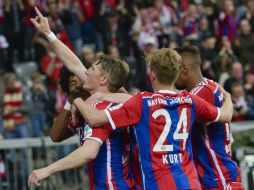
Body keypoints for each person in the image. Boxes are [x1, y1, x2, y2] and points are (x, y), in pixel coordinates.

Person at [71, 48, 233, 189]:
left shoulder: (143, 102)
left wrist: (77, 100)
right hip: (190, 182)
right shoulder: (190, 100)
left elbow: (93, 117)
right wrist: (228, 98)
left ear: (152, 75)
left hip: (159, 183)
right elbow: (226, 115)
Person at [29, 7, 134, 189]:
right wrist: (49, 33)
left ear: (103, 79)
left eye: (91, 69)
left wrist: (47, 170)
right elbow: (72, 62)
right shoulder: (105, 98)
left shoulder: (104, 107)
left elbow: (88, 152)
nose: (85, 71)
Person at [175, 46, 243, 189]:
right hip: (220, 173)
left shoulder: (201, 95)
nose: (173, 73)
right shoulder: (211, 85)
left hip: (218, 177)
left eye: (175, 68)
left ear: (185, 70)